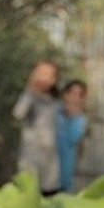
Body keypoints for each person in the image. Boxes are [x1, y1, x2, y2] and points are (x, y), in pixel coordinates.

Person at [12, 60, 62, 196]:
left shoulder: (55, 103)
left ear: (54, 80)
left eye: (48, 75)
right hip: (31, 164)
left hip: (51, 168)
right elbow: (18, 113)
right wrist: (30, 90)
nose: (44, 78)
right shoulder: (29, 97)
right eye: (40, 74)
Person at [56, 80, 88, 194]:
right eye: (72, 93)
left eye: (79, 95)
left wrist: (73, 116)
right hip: (44, 166)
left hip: (64, 170)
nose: (75, 98)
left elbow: (73, 138)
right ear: (65, 94)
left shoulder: (81, 119)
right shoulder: (54, 111)